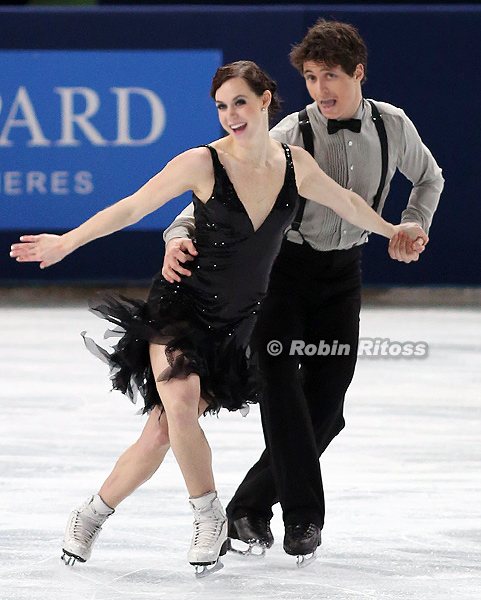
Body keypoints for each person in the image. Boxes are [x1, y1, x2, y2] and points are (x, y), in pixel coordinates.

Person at [10, 59, 426, 574]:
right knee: (181, 404)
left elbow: (346, 203)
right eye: (222, 106)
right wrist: (66, 242)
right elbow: (132, 207)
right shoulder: (202, 163)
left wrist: (393, 231)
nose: (231, 115)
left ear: (266, 100)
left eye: (241, 103)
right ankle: (207, 515)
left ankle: (90, 514)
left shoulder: (295, 165)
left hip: (236, 327)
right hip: (181, 308)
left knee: (162, 433)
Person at [161, 21, 444, 563]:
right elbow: (216, 190)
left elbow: (430, 177)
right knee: (282, 388)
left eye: (331, 76)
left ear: (358, 73)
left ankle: (246, 507)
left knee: (328, 409)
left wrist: (413, 223)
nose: (321, 89)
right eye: (312, 78)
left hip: (344, 277)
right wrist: (178, 234)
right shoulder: (290, 132)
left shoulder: (392, 126)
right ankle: (303, 521)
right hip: (280, 277)